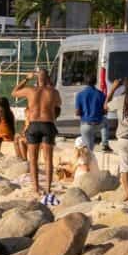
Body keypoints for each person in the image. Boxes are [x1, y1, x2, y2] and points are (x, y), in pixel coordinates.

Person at [12, 68, 62, 197]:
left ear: (37, 79)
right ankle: (48, 188)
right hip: (48, 124)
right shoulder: (54, 92)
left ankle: (35, 187)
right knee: (48, 159)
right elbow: (58, 106)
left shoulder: (30, 90)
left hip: (33, 125)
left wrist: (27, 78)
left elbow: (14, 92)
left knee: (33, 159)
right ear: (48, 78)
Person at [73, 73, 106, 156]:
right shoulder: (101, 94)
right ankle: (105, 142)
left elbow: (77, 112)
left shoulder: (80, 94)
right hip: (98, 124)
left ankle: (88, 165)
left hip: (86, 125)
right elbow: (104, 111)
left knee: (88, 150)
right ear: (95, 82)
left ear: (85, 82)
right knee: (106, 123)